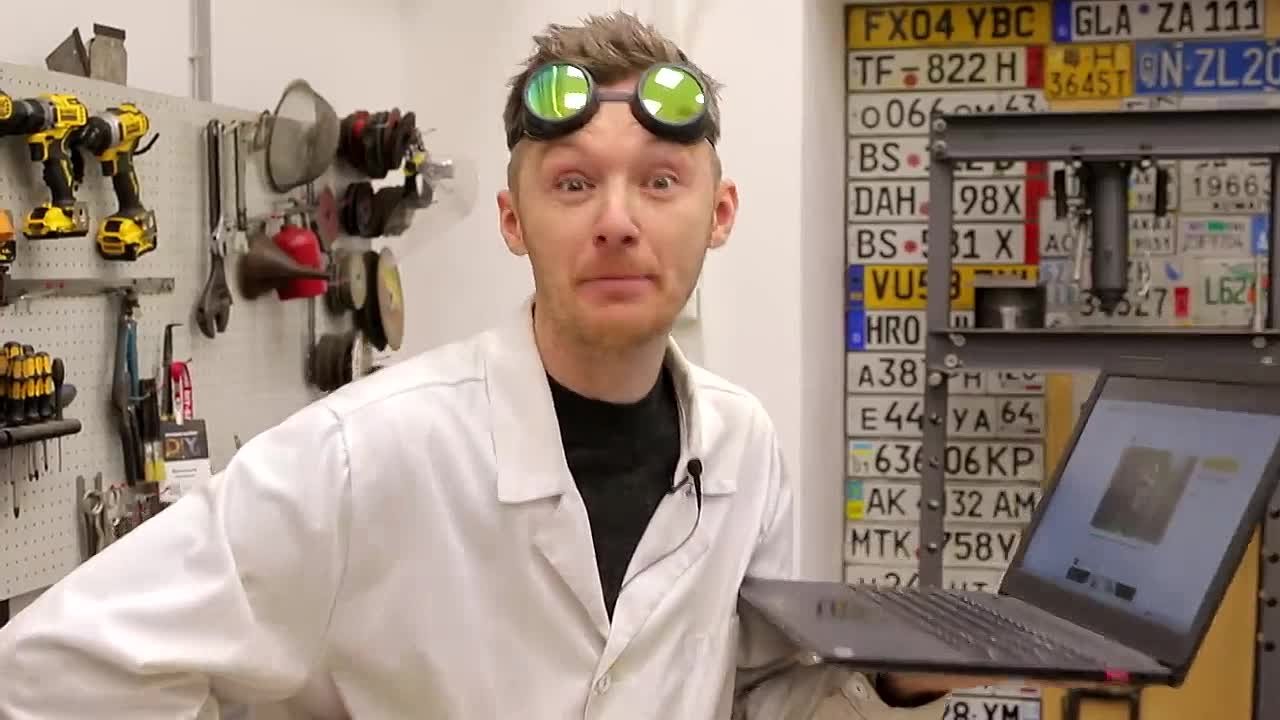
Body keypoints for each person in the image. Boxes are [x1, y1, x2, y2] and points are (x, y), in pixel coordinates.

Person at [0, 12, 1009, 719]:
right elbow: (51, 670)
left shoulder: (742, 446)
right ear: (512, 220)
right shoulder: (362, 455)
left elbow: (754, 694)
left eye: (660, 181)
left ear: (721, 212)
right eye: (572, 184)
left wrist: (893, 686)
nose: (617, 221)